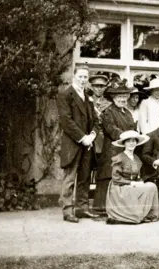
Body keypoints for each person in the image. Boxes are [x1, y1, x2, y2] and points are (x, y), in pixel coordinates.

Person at [56, 65, 100, 223]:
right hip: (73, 143)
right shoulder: (65, 94)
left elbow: (95, 120)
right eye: (80, 77)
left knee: (85, 177)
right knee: (70, 177)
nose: (83, 80)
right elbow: (66, 121)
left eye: (85, 77)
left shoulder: (87, 96)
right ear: (74, 76)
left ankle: (82, 208)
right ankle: (67, 211)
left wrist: (92, 135)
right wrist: (83, 137)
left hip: (88, 143)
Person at [94, 82, 138, 215]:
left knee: (122, 176)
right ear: (113, 98)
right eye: (119, 96)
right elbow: (111, 129)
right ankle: (101, 208)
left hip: (125, 149)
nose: (123, 99)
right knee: (108, 176)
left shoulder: (128, 113)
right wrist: (126, 137)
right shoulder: (108, 112)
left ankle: (119, 208)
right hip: (111, 150)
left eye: (125, 96)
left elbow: (133, 128)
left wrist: (134, 138)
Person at [105, 131, 159, 224]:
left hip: (131, 186)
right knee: (149, 187)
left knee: (152, 186)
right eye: (128, 141)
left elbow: (137, 176)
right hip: (119, 188)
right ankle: (135, 214)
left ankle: (149, 214)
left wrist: (139, 181)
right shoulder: (119, 158)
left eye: (133, 141)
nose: (131, 143)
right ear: (124, 143)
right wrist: (131, 183)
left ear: (136, 143)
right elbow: (115, 178)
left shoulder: (136, 158)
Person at [89, 74, 111, 155]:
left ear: (105, 87)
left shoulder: (109, 104)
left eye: (101, 86)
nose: (99, 89)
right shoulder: (87, 101)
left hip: (104, 139)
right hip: (89, 138)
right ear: (92, 87)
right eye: (96, 86)